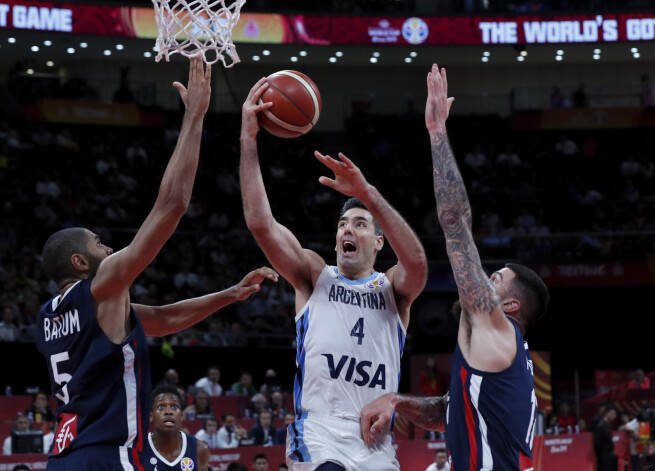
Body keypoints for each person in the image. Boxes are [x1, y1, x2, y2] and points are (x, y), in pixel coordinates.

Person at [35, 56, 278, 469]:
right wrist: (195, 117)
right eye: (98, 244)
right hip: (108, 456)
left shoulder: (47, 316)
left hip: (64, 458)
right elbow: (172, 205)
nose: (108, 249)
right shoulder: (103, 285)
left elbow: (162, 320)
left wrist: (229, 295)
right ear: (79, 262)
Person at [360, 64, 550, 471]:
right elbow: (445, 411)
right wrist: (396, 401)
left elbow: (454, 223)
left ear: (510, 306)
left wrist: (437, 134)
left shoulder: (495, 327)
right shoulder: (500, 359)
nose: (483, 279)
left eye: (495, 279)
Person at [240, 76, 428, 471]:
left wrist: (371, 196)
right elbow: (260, 222)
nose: (348, 229)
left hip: (375, 440)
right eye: (344, 224)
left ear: (378, 242)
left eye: (361, 224)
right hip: (319, 431)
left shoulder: (393, 288)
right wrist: (248, 140)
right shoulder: (313, 275)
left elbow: (418, 264)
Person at [141, 384, 210, 471]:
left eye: (174, 407)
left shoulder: (200, 448)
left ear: (181, 416)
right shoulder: (138, 447)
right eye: (161, 407)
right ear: (151, 416)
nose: (169, 412)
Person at [593, 404, 618, 471]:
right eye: (613, 414)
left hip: (610, 456)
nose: (614, 416)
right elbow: (596, 443)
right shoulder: (600, 426)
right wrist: (601, 455)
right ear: (607, 414)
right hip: (604, 457)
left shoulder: (608, 426)